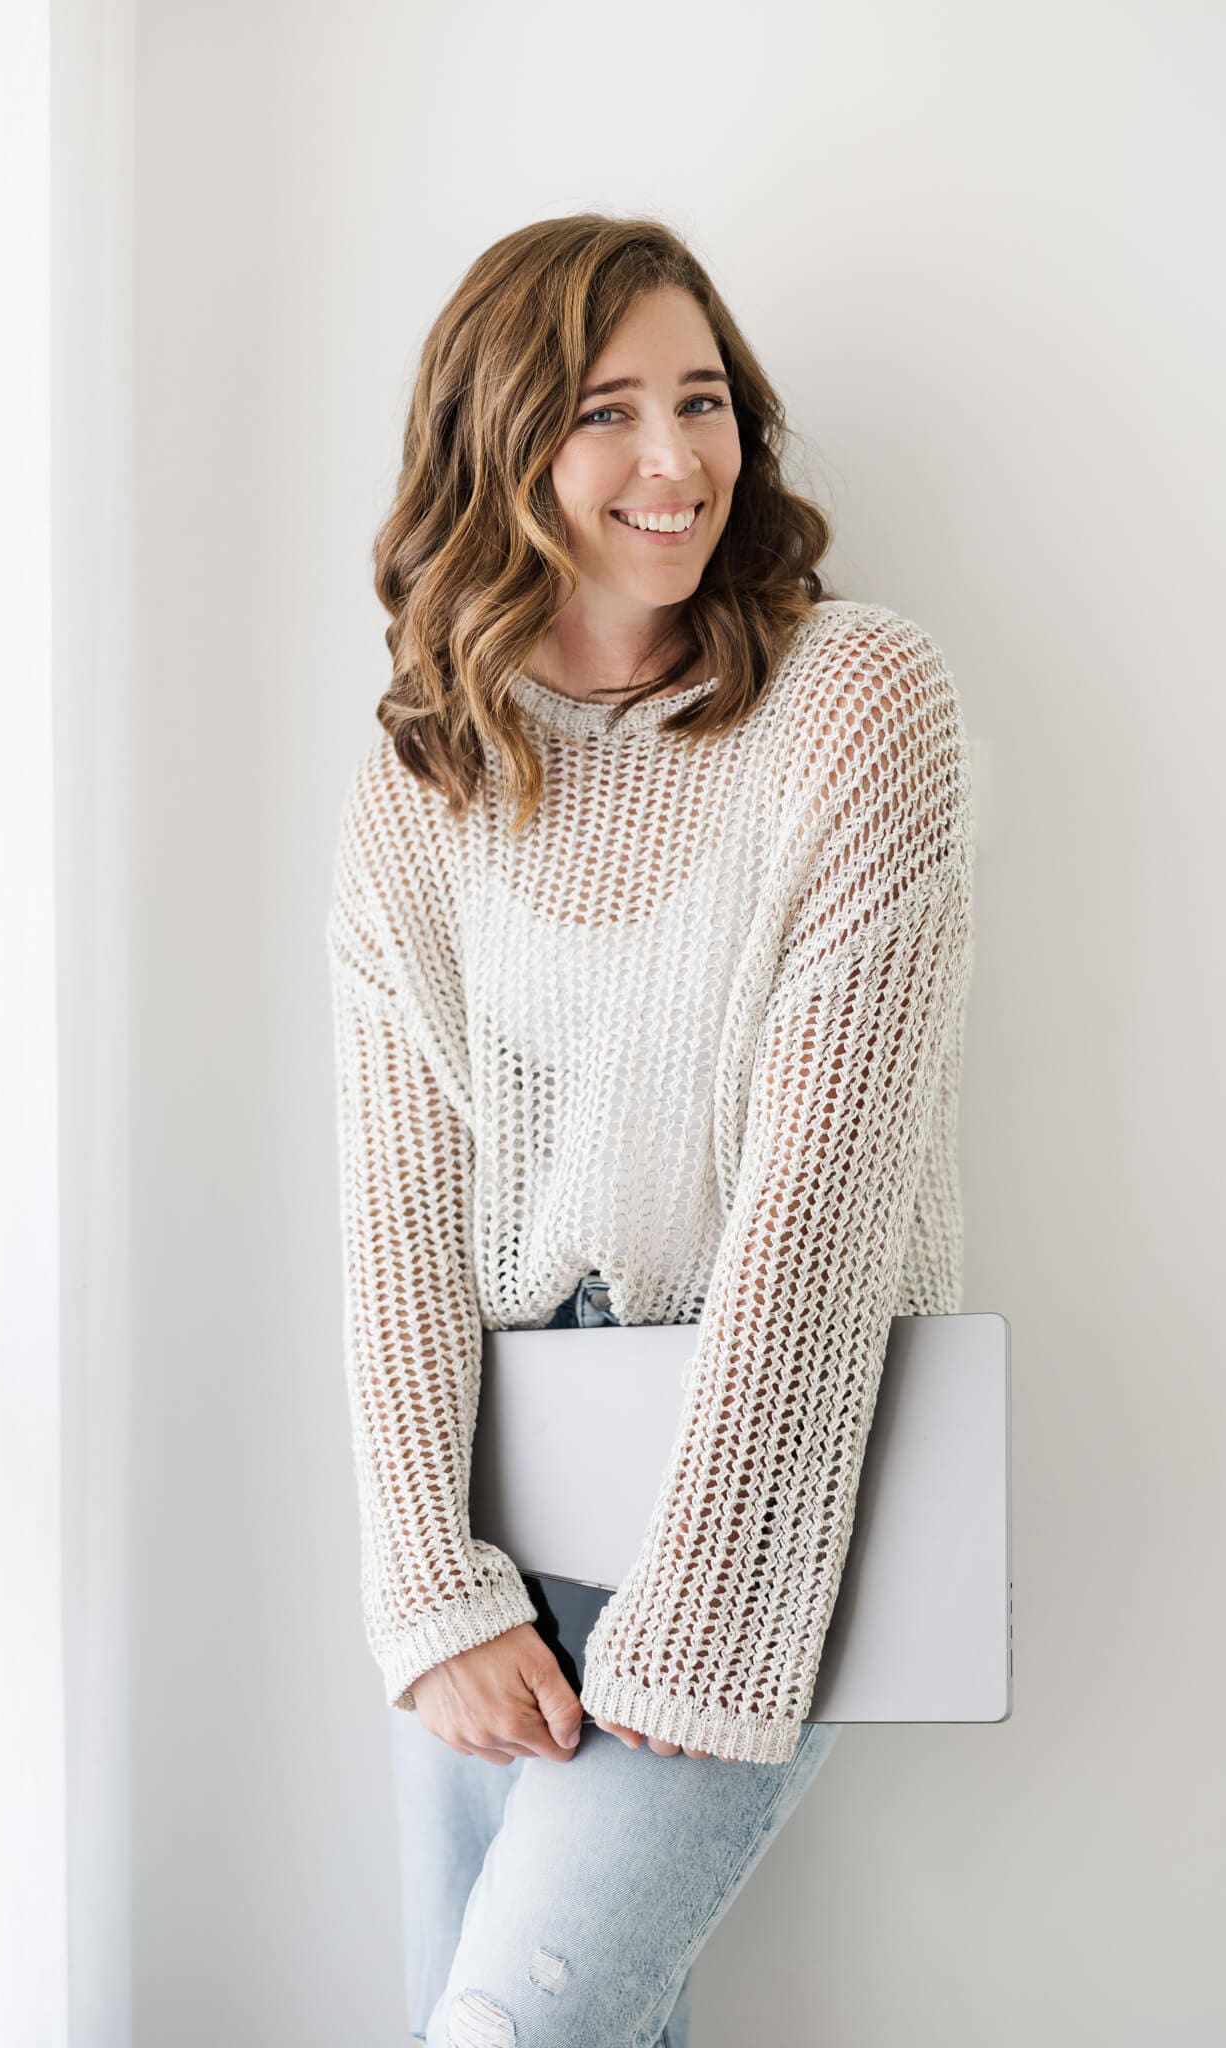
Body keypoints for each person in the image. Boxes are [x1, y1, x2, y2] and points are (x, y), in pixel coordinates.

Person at [325, 214, 976, 2048]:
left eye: (702, 401)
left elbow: (824, 1199)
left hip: (777, 1464)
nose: (675, 458)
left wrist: (719, 1598)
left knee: (508, 2026)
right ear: (497, 445)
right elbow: (395, 1220)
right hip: (507, 1479)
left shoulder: (856, 703)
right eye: (604, 411)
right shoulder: (423, 777)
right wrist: (428, 1589)